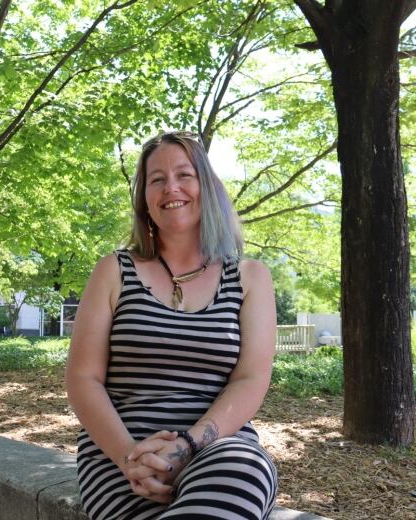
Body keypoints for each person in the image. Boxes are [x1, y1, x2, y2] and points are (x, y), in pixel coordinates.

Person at [66, 131, 278, 519]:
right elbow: (83, 378)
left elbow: (251, 379)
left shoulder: (250, 278)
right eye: (157, 179)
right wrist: (131, 457)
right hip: (122, 459)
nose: (171, 188)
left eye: (185, 175)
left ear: (207, 187)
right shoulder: (114, 270)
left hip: (220, 454)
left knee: (242, 471)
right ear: (144, 198)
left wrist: (187, 447)